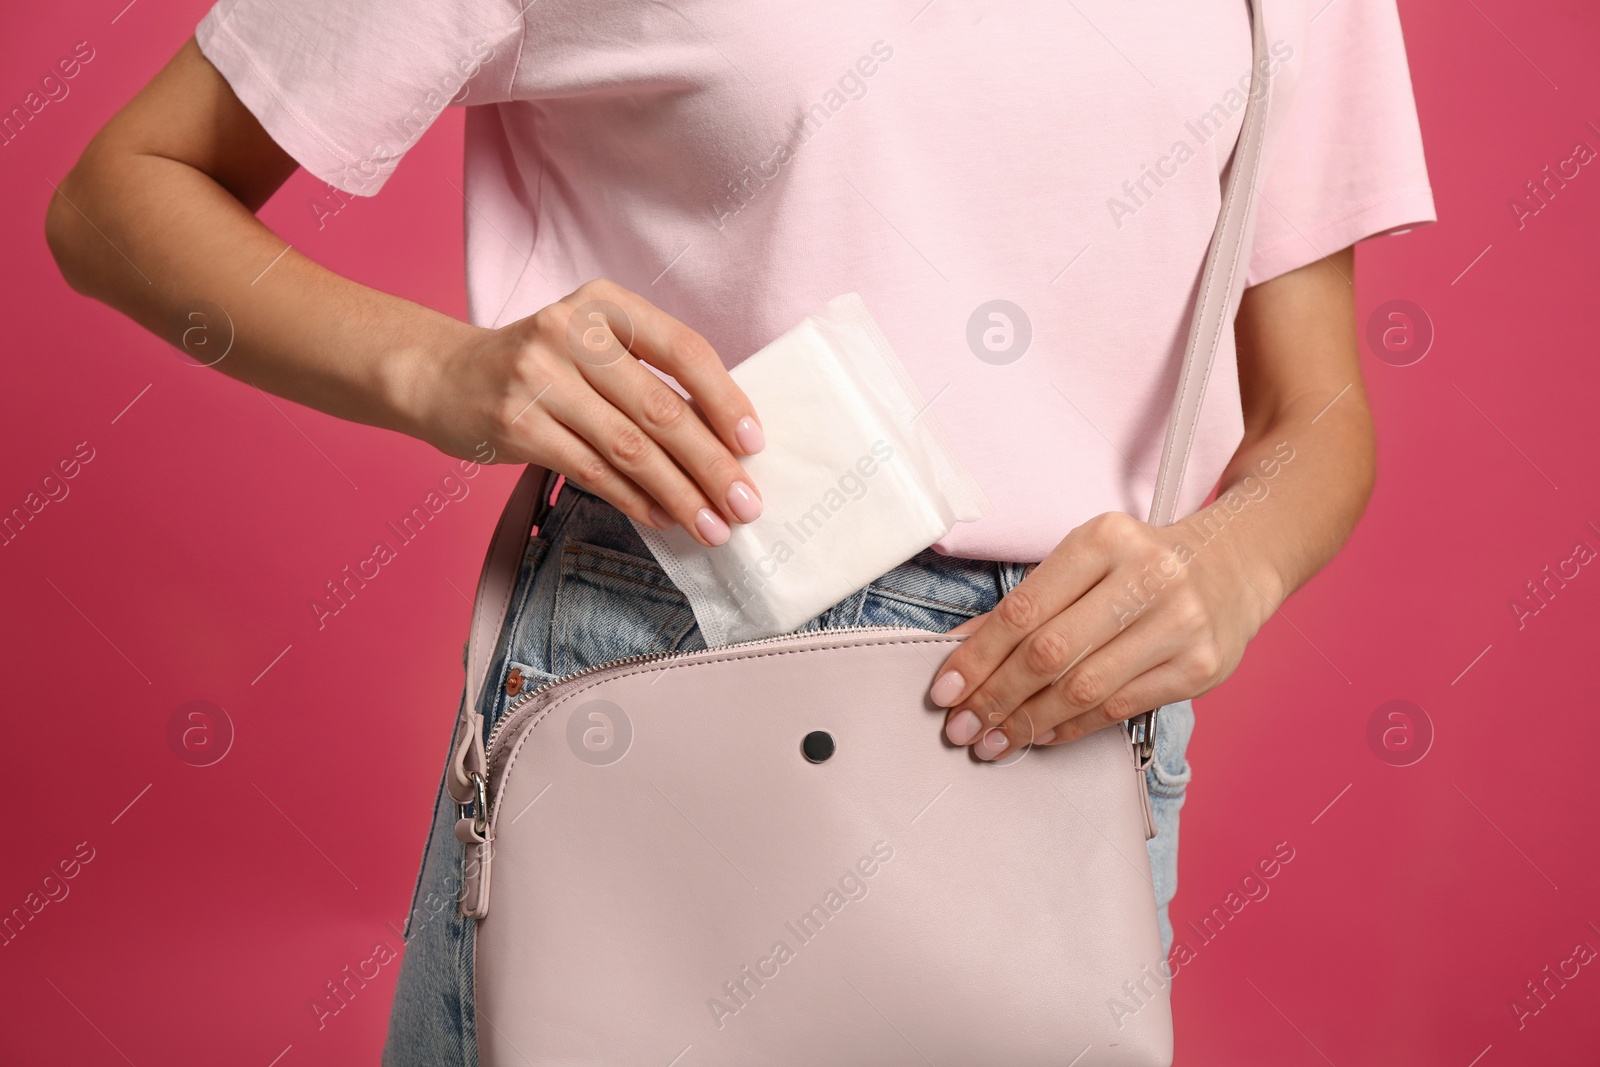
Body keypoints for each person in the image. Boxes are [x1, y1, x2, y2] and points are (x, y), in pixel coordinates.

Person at [46, 0, 1434, 1060]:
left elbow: (1316, 408)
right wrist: (444, 372)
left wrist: (1233, 561)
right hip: (661, 668)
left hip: (1059, 710)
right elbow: (119, 197)